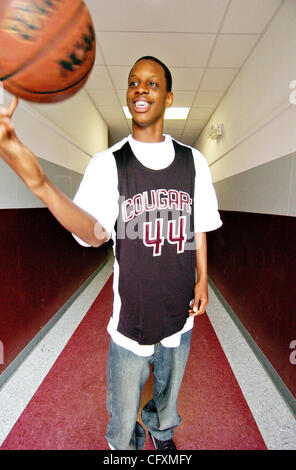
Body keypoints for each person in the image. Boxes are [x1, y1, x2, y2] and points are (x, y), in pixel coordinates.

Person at [0, 56, 222, 451]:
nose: (141, 88)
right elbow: (95, 233)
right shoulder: (108, 164)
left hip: (180, 314)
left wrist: (202, 277)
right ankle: (128, 446)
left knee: (168, 401)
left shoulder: (194, 162)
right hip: (129, 322)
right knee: (121, 420)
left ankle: (162, 432)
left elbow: (199, 224)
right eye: (134, 81)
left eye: (152, 83)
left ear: (168, 97)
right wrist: (41, 185)